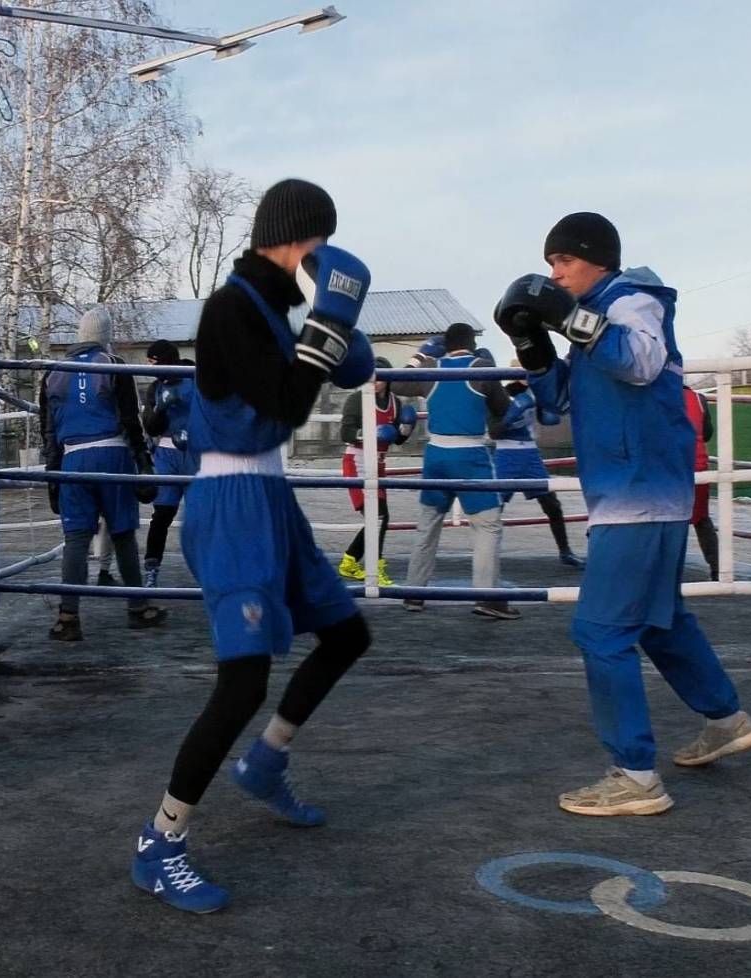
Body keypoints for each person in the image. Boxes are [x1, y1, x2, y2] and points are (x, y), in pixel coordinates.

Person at [131, 178, 375, 913]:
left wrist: (337, 319)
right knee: (241, 683)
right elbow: (285, 401)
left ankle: (265, 763)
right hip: (229, 504)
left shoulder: (275, 307)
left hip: (271, 496)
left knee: (345, 635)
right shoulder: (231, 308)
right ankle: (159, 842)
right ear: (299, 238)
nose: (327, 255)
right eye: (320, 241)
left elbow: (357, 370)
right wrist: (329, 318)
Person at [495, 211, 751, 816]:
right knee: (658, 621)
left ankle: (634, 775)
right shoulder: (594, 322)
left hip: (639, 493)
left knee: (601, 631)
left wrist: (568, 318)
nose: (556, 274)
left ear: (597, 259)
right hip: (640, 491)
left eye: (564, 261)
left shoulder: (633, 299)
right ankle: (725, 719)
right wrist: (534, 347)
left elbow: (641, 361)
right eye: (551, 264)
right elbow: (557, 404)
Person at [40, 307, 166, 640]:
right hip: (112, 455)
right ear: (105, 337)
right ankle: (138, 608)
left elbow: (48, 432)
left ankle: (68, 618)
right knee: (122, 534)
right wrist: (143, 461)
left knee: (76, 540)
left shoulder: (53, 372)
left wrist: (52, 476)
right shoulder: (114, 366)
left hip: (73, 460)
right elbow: (131, 420)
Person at [391, 322, 517, 619]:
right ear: (472, 343)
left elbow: (396, 383)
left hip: (435, 455)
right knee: (487, 526)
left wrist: (419, 356)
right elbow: (502, 411)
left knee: (428, 524)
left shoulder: (431, 367)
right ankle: (486, 597)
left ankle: (413, 593)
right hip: (470, 454)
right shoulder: (481, 366)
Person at [336, 357, 416, 587]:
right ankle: (374, 568)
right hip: (358, 461)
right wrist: (370, 434)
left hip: (379, 464)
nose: (374, 381)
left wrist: (406, 427)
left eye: (379, 377)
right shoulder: (357, 399)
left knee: (379, 518)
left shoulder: (395, 402)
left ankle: (350, 561)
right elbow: (346, 432)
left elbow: (398, 440)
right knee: (379, 517)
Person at [497, 362, 582, 567]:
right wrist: (513, 413)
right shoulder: (502, 394)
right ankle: (487, 553)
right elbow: (495, 429)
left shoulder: (536, 394)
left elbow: (548, 420)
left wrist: (548, 410)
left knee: (552, 505)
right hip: (506, 453)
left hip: (530, 454)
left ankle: (565, 552)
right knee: (493, 508)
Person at [139, 339, 197, 589]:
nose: (151, 367)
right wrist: (160, 410)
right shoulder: (155, 388)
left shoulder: (195, 378)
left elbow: (214, 413)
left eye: (153, 362)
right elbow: (150, 426)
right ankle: (152, 570)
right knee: (162, 515)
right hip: (166, 456)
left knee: (204, 515)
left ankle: (213, 571)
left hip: (196, 455)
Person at [682, 387, 719, 578]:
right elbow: (707, 433)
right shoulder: (698, 398)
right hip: (698, 465)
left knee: (664, 520)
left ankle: (662, 572)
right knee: (701, 519)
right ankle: (718, 568)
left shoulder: (653, 395)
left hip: (667, 469)